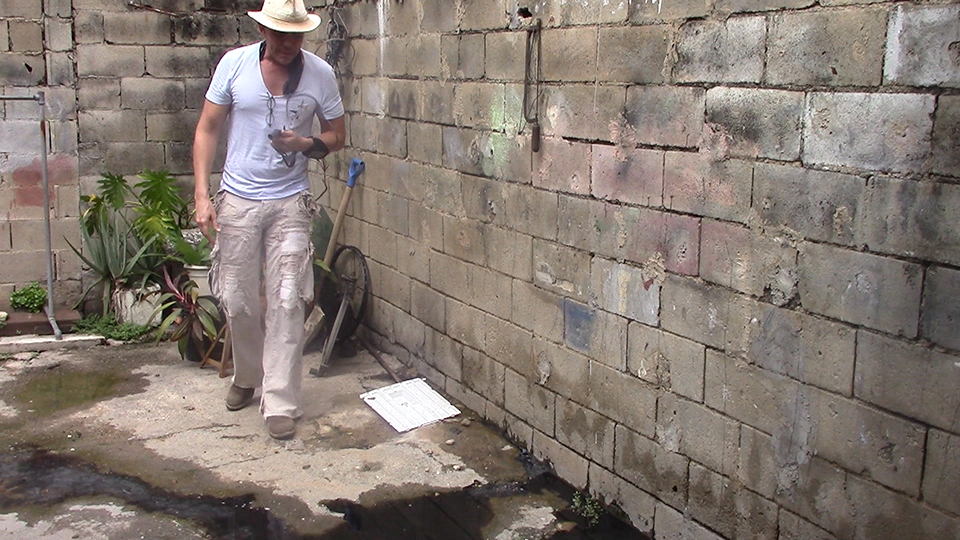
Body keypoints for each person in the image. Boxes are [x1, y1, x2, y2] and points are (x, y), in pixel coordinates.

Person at [192, 0, 345, 440]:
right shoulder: (234, 65)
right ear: (263, 30)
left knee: (287, 298)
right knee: (237, 299)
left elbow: (337, 136)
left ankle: (279, 398)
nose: (286, 43)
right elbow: (207, 128)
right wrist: (202, 195)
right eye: (279, 34)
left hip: (290, 201)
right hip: (238, 199)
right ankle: (247, 375)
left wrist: (305, 142)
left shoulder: (319, 74)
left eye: (295, 35)